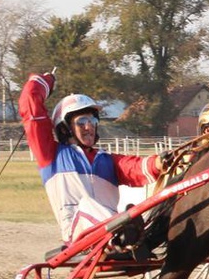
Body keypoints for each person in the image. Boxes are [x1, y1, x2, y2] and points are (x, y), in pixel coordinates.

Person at [18, 72, 166, 246]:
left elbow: (136, 167)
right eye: (82, 122)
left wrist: (160, 163)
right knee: (87, 204)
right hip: (79, 237)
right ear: (65, 128)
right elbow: (30, 104)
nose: (89, 127)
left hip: (110, 234)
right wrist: (47, 81)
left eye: (93, 121)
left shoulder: (106, 159)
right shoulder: (51, 156)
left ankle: (129, 235)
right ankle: (124, 234)